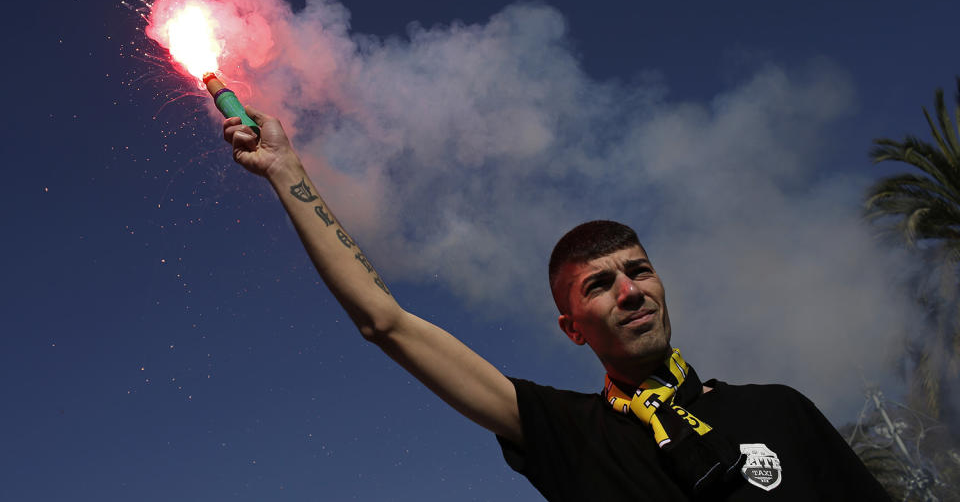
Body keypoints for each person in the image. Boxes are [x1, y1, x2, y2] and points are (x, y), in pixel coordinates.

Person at [223, 108, 890, 501]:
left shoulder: (779, 409)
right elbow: (385, 321)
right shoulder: (566, 435)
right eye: (599, 285)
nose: (629, 290)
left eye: (638, 271)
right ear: (572, 329)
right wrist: (289, 174)